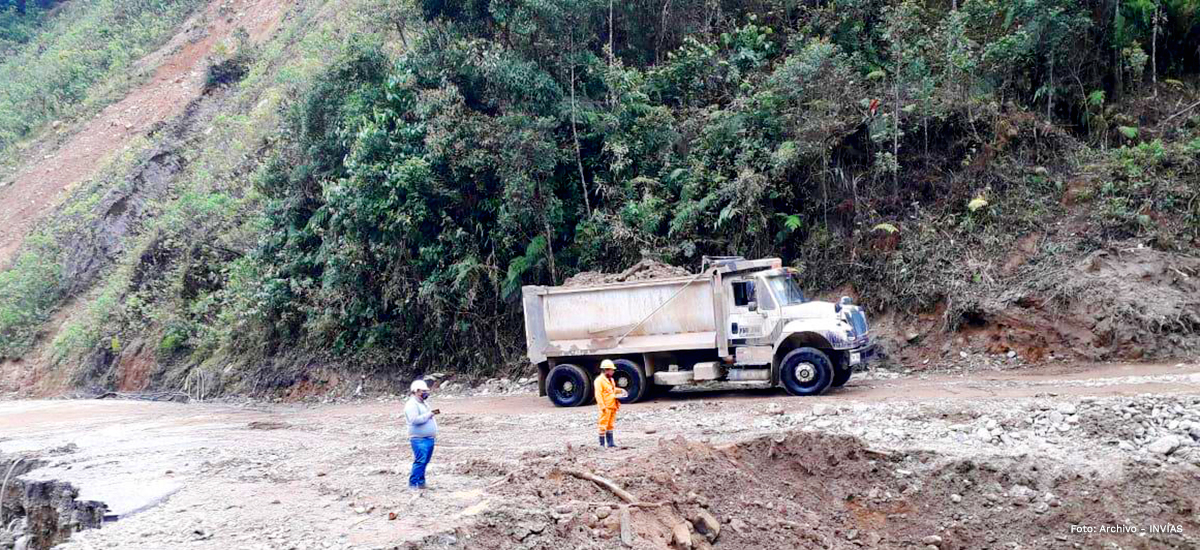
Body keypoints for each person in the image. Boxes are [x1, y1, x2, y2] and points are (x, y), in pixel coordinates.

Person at [404, 379, 439, 490]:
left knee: (424, 462)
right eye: (423, 391)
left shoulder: (423, 403)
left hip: (428, 438)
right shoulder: (411, 404)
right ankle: (413, 484)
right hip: (419, 439)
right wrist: (430, 414)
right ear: (417, 391)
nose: (426, 393)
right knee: (420, 461)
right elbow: (414, 420)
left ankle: (421, 483)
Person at [594, 360, 621, 448]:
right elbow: (598, 394)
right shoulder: (599, 381)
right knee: (603, 424)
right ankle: (602, 445)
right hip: (606, 407)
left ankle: (610, 443)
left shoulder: (611, 380)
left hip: (612, 405)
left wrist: (620, 391)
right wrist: (602, 406)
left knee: (610, 425)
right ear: (606, 370)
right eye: (611, 370)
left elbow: (611, 390)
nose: (613, 372)